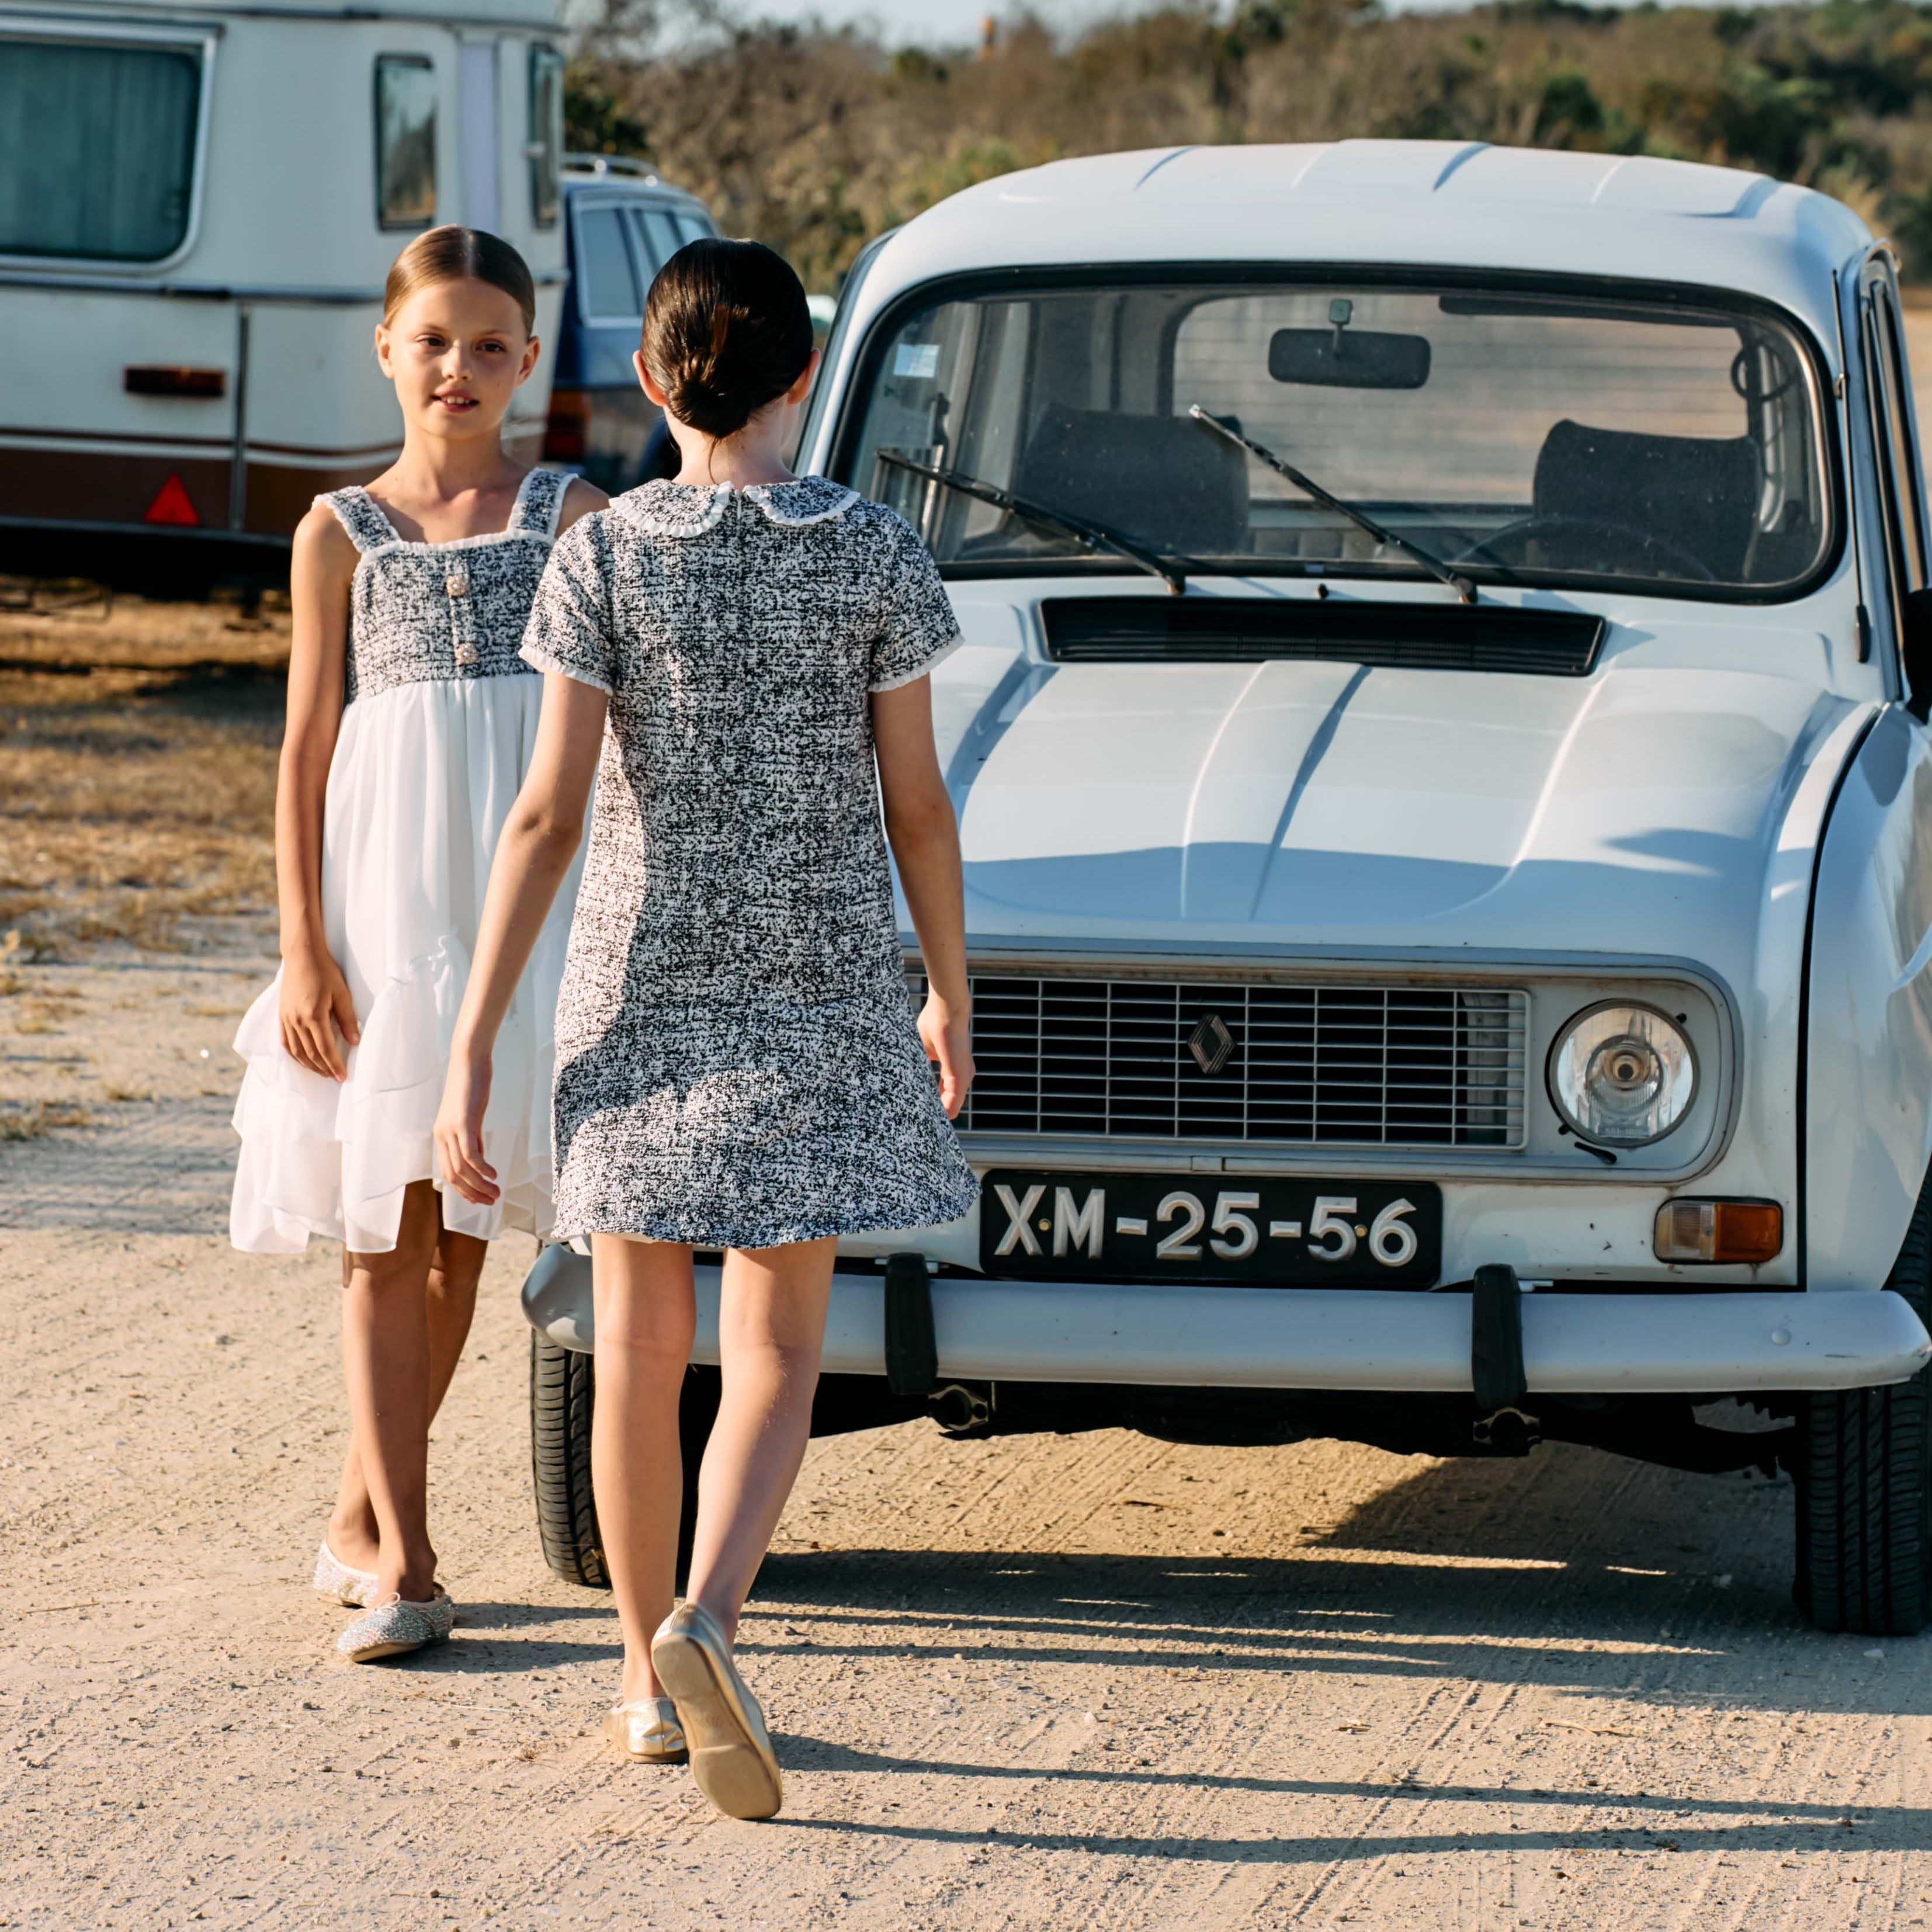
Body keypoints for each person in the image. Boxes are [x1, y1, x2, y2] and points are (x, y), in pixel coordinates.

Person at [434, 237, 977, 1818]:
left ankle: (634, 1681)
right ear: (805, 376)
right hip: (813, 992)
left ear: (658, 382)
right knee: (780, 1348)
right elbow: (919, 808)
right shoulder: (876, 551)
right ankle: (709, 1617)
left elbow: (543, 816)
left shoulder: (601, 557)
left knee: (633, 1356)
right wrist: (946, 984)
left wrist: (476, 1032)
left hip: (635, 996)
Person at [228, 226, 606, 1663]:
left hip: (520, 917)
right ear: (387, 347)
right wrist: (303, 947)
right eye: (434, 339)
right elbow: (305, 748)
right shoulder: (338, 530)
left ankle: (353, 1510)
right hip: (379, 913)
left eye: (492, 344)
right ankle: (409, 1558)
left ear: (528, 359)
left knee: (460, 1225)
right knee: (380, 1228)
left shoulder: (574, 517)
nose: (461, 368)